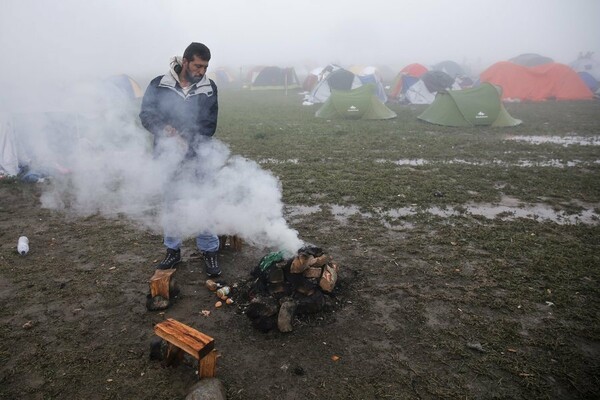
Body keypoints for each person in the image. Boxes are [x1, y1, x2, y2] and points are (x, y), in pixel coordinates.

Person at [139, 42, 221, 276]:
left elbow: (209, 124)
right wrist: (163, 129)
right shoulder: (159, 84)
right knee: (171, 203)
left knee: (202, 201)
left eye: (205, 67)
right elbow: (146, 115)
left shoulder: (209, 87)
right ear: (185, 62)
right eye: (197, 66)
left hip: (198, 154)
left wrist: (186, 137)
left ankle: (209, 250)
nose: (201, 71)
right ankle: (173, 250)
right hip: (167, 156)